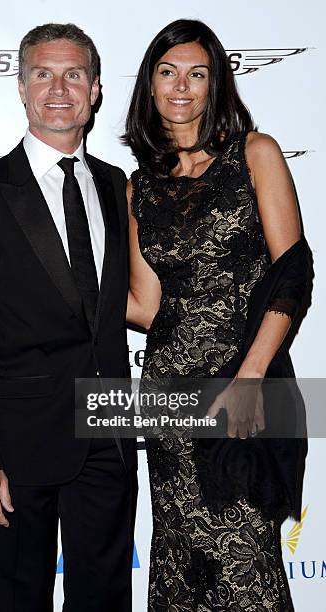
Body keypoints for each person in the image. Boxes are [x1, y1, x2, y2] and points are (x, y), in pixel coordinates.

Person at [0, 22, 137, 612]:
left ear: (95, 89)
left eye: (73, 75)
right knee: (19, 599)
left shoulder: (114, 184)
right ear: (22, 89)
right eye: (43, 75)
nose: (59, 88)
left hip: (107, 433)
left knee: (104, 597)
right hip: (16, 447)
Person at [124, 18, 313, 611]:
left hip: (242, 389)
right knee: (181, 563)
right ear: (150, 87)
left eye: (197, 74)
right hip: (168, 404)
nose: (182, 86)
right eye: (167, 72)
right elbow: (147, 307)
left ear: (216, 85)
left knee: (245, 563)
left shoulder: (255, 154)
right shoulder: (139, 188)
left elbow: (294, 273)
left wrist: (251, 377)